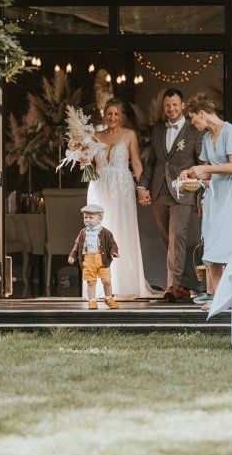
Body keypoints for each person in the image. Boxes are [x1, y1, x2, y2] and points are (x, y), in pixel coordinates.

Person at [180, 93, 232, 313]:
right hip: (215, 196)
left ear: (202, 113)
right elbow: (209, 172)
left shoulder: (230, 131)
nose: (193, 124)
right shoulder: (206, 138)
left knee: (229, 246)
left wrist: (205, 168)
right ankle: (220, 298)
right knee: (210, 249)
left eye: (193, 119)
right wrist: (192, 174)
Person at [136, 88, 204, 303]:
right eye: (167, 105)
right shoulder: (157, 129)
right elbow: (152, 162)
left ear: (182, 105)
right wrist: (142, 186)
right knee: (169, 240)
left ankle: (172, 287)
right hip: (159, 192)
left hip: (183, 193)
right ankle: (182, 284)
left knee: (177, 239)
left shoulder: (194, 130)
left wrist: (201, 196)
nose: (171, 108)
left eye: (175, 104)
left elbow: (201, 163)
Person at [86, 98, 156, 300]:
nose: (112, 117)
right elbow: (89, 165)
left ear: (122, 116)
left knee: (122, 231)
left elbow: (136, 163)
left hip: (122, 188)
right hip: (99, 187)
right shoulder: (95, 136)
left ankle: (124, 283)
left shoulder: (129, 135)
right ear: (104, 115)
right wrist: (81, 156)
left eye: (116, 114)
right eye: (109, 113)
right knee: (99, 233)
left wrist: (142, 188)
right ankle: (101, 287)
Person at [69, 204, 120, 310]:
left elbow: (112, 244)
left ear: (100, 219)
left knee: (106, 281)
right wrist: (73, 255)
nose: (87, 220)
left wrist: (114, 252)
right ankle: (92, 301)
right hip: (88, 259)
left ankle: (108, 298)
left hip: (102, 259)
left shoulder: (105, 232)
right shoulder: (83, 232)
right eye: (85, 217)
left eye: (91, 217)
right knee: (91, 281)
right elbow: (77, 245)